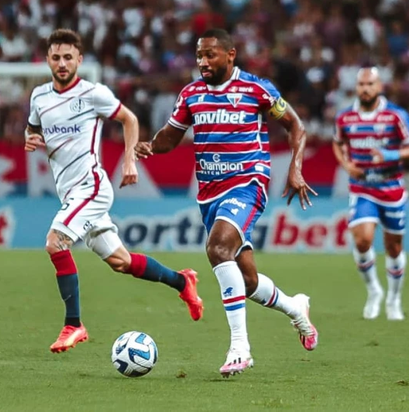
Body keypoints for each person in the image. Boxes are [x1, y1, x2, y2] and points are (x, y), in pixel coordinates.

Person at [135, 28, 318, 377]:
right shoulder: (191, 94)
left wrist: (295, 169)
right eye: (199, 55)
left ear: (230, 55)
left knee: (218, 249)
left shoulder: (256, 89)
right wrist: (149, 146)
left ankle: (240, 347)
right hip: (210, 193)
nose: (203, 62)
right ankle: (296, 308)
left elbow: (296, 126)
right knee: (246, 282)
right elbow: (171, 136)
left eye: (210, 55)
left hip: (248, 183)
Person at [25, 29, 203, 353]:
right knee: (121, 262)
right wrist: (30, 137)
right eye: (56, 57)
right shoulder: (40, 97)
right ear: (47, 60)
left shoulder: (94, 93)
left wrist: (129, 161)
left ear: (79, 59)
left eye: (68, 57)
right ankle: (183, 281)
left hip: (91, 186)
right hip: (70, 193)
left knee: (55, 242)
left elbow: (130, 119)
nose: (62, 63)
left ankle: (74, 325)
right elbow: (33, 126)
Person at [332, 67, 409, 321]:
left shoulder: (396, 116)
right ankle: (374, 290)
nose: (365, 89)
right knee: (362, 240)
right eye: (361, 84)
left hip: (391, 188)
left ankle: (394, 299)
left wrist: (392, 155)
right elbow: (337, 143)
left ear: (380, 86)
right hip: (363, 189)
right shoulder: (345, 117)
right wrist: (347, 165)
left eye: (370, 84)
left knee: (394, 247)